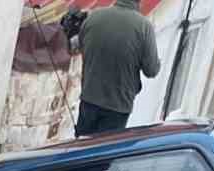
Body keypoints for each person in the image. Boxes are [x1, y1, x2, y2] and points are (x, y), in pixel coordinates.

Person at [68, 0, 160, 137]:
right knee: (104, 153)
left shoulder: (94, 16)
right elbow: (151, 70)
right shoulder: (144, 27)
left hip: (89, 99)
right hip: (118, 106)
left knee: (82, 151)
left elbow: (78, 47)